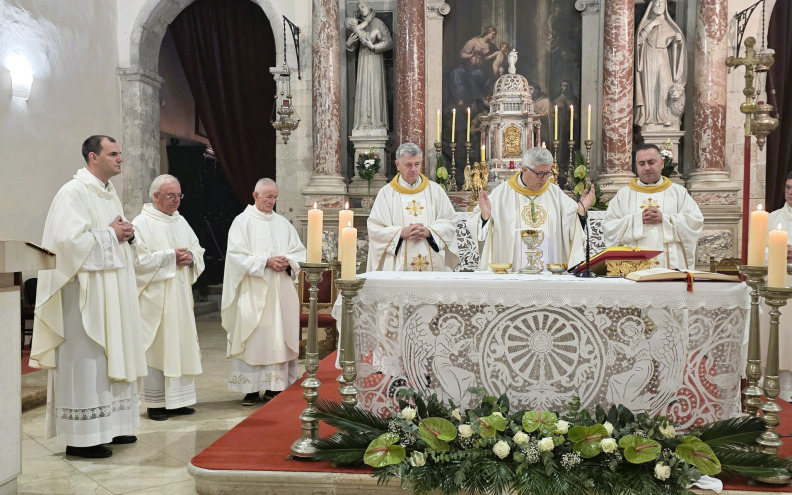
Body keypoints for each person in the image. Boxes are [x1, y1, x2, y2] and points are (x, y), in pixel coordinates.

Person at [29, 135, 147, 458]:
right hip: (84, 297)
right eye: (113, 154)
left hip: (112, 293)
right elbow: (65, 245)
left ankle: (113, 425)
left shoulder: (110, 194)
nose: (120, 159)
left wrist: (124, 233)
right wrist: (111, 234)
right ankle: (82, 438)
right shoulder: (73, 193)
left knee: (111, 359)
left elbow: (113, 233)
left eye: (120, 154)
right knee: (88, 362)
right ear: (93, 157)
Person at [221, 179, 306, 406]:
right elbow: (235, 256)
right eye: (268, 196)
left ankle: (274, 386)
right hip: (254, 289)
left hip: (281, 290)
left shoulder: (282, 223)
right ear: (255, 195)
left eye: (275, 197)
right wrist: (265, 262)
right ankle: (250, 389)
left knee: (278, 335)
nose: (272, 201)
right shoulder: (242, 222)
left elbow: (300, 251)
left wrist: (288, 261)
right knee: (254, 336)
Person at [132, 174, 205, 421]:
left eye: (179, 195)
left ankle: (178, 400)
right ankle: (156, 403)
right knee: (158, 348)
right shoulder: (141, 223)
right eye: (171, 195)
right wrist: (170, 257)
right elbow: (138, 260)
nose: (176, 200)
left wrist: (191, 258)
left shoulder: (181, 221)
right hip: (156, 298)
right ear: (156, 196)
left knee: (180, 344)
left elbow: (197, 248)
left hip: (181, 297)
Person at [469, 147, 592, 271]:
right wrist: (485, 218)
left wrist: (580, 213)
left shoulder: (556, 194)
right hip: (513, 274)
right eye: (539, 174)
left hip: (549, 274)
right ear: (524, 170)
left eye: (548, 173)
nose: (544, 178)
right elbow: (477, 227)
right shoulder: (502, 194)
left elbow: (573, 228)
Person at [603, 144, 703, 269]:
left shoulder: (678, 193)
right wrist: (637, 220)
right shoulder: (623, 195)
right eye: (641, 163)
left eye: (651, 162)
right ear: (636, 166)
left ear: (662, 163)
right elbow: (609, 227)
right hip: (633, 268)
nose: (647, 167)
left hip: (670, 268)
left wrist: (665, 219)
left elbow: (695, 222)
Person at [367, 143, 459, 272]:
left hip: (432, 261)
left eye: (417, 164)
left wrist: (430, 232)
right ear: (398, 165)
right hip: (398, 264)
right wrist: (400, 233)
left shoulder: (435, 190)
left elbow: (450, 221)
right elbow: (375, 228)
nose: (414, 169)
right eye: (408, 165)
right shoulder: (386, 193)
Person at [634, 0, 686, 131]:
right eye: (656, 4)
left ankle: (664, 116)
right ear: (651, 6)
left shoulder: (669, 25)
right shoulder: (646, 23)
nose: (659, 6)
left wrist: (678, 41)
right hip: (648, 59)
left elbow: (679, 47)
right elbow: (638, 41)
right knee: (650, 87)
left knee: (664, 86)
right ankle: (650, 118)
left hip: (663, 59)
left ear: (665, 7)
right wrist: (650, 25)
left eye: (662, 4)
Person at [762, 172, 792, 400]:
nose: (790, 193)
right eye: (788, 188)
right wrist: (777, 252)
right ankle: (768, 375)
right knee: (774, 330)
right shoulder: (772, 218)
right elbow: (759, 249)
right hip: (776, 280)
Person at [345, 1, 393, 131]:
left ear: (369, 6)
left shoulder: (378, 23)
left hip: (375, 59)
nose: (361, 9)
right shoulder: (358, 24)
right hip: (363, 59)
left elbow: (389, 42)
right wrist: (349, 44)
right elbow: (353, 43)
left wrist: (374, 46)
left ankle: (377, 122)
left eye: (363, 6)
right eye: (359, 7)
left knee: (376, 88)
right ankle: (363, 122)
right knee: (364, 87)